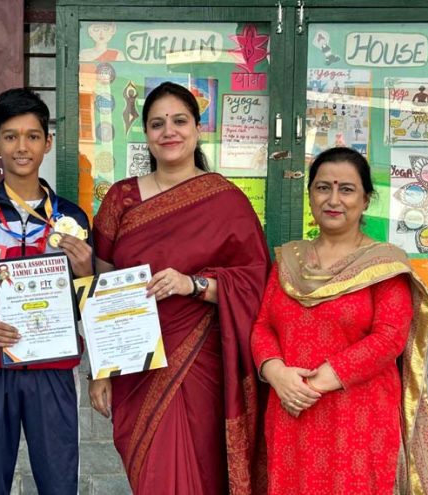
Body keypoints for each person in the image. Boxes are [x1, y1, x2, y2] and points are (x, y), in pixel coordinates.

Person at [89, 81, 270, 494]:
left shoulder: (227, 201)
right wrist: (98, 371)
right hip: (135, 365)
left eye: (179, 121)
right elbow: (103, 285)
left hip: (201, 365)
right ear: (146, 134)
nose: (168, 131)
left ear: (198, 128)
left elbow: (256, 282)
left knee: (200, 472)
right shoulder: (122, 198)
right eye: (157, 124)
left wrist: (194, 284)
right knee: (151, 474)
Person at [251, 146, 428, 494]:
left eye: (346, 189)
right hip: (291, 411)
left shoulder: (384, 264)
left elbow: (389, 337)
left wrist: (317, 382)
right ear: (310, 195)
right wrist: (276, 373)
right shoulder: (289, 259)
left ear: (366, 200)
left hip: (357, 418)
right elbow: (263, 326)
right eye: (323, 187)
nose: (333, 199)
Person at [0, 88, 93, 495]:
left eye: (32, 136)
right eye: (10, 136)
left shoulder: (72, 218)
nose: (22, 146)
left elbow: (88, 306)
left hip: (54, 369)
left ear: (47, 143)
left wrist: (85, 272)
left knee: (60, 481)